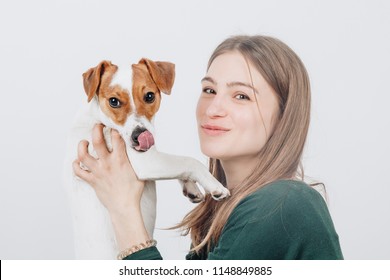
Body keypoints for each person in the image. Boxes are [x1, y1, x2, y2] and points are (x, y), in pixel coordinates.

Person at [73, 35, 343, 260]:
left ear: (285, 115)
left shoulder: (284, 204)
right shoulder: (221, 212)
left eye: (241, 96)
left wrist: (123, 208)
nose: (213, 109)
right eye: (210, 90)